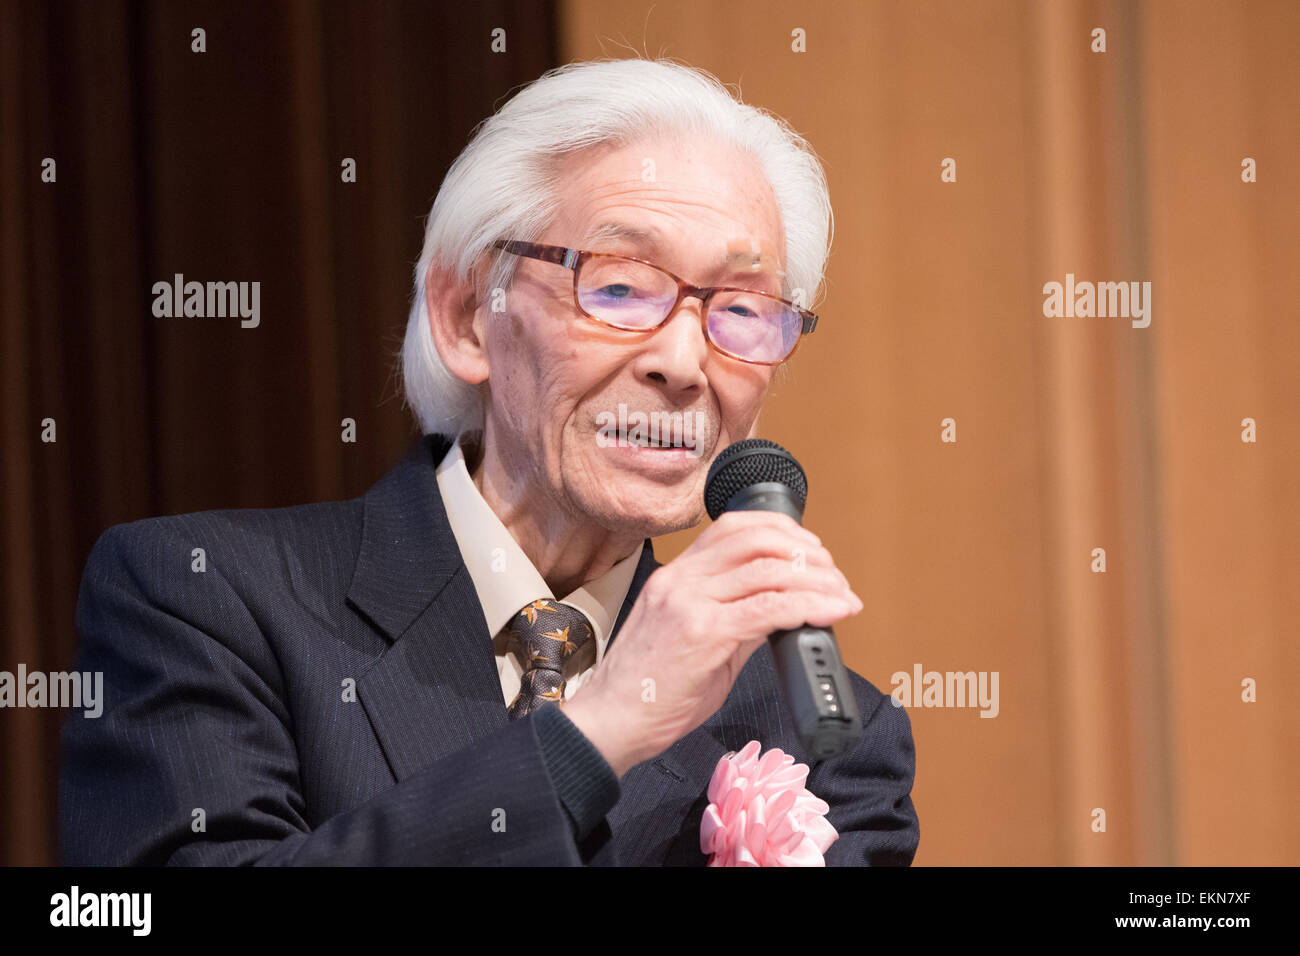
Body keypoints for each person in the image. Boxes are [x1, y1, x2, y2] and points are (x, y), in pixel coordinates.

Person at [60, 57, 919, 866]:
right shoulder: (205, 599)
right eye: (620, 288)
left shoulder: (830, 732)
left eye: (740, 308)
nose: (686, 364)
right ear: (468, 314)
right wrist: (604, 727)